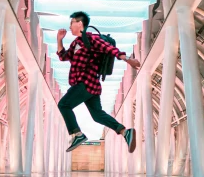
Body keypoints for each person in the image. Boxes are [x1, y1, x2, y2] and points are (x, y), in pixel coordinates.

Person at [57, 11, 141, 152]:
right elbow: (63, 57)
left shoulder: (91, 39)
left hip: (85, 83)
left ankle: (76, 134)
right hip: (91, 86)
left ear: (79, 23)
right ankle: (125, 132)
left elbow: (110, 49)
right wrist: (59, 40)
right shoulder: (76, 43)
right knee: (97, 115)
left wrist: (128, 59)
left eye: (71, 23)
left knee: (64, 104)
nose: (70, 26)